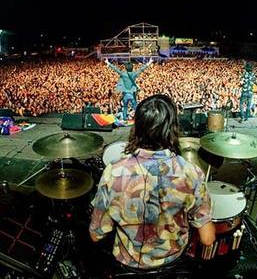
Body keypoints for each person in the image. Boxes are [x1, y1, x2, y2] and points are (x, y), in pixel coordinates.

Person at [89, 94, 215, 273]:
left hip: (126, 266)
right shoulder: (191, 173)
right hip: (172, 265)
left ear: (137, 127)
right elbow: (207, 238)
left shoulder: (114, 172)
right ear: (173, 129)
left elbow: (96, 234)